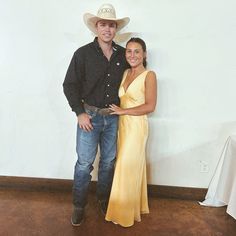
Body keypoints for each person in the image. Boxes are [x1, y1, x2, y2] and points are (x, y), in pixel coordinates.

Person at [63, 3, 130, 226]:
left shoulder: (123, 54)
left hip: (112, 117)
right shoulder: (82, 54)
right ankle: (79, 205)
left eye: (111, 25)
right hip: (89, 117)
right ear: (96, 27)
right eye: (103, 24)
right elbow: (69, 85)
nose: (107, 29)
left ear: (115, 28)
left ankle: (104, 200)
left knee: (109, 162)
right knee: (84, 164)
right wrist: (80, 113)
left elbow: (134, 78)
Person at [105, 37, 157, 227]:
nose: (132, 55)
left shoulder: (149, 75)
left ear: (144, 54)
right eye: (129, 51)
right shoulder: (126, 72)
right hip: (123, 126)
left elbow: (150, 106)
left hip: (136, 127)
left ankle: (124, 214)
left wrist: (123, 111)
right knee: (127, 166)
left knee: (126, 166)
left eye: (137, 51)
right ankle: (131, 206)